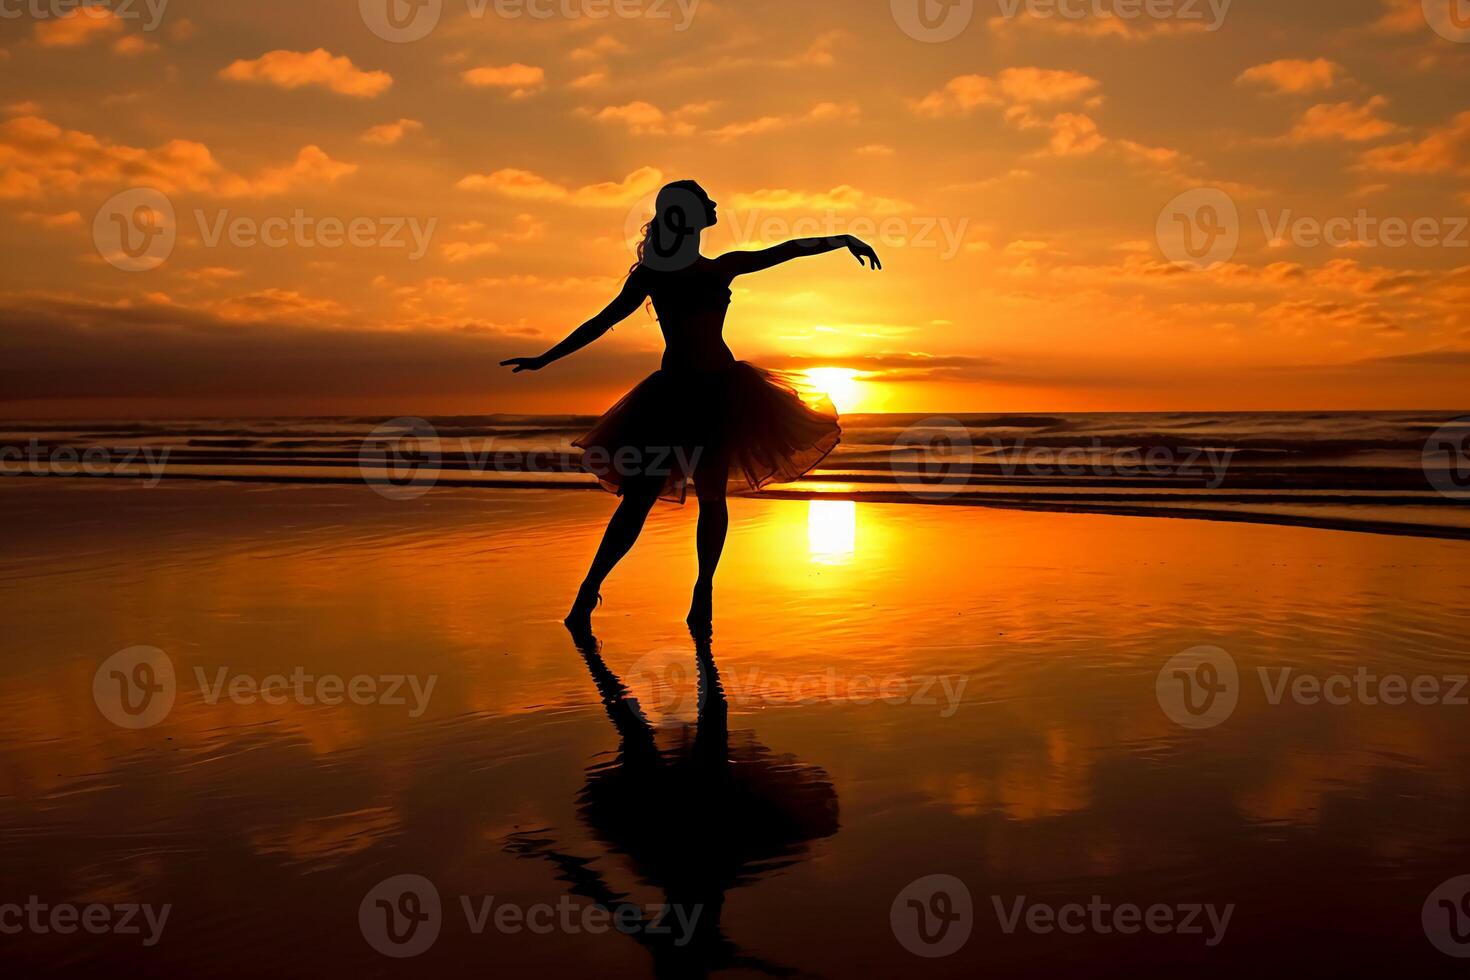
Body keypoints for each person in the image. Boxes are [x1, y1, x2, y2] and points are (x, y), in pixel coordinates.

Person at [501, 180, 882, 636]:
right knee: (639, 501)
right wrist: (546, 359)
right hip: (674, 398)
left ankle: (702, 595)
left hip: (720, 394)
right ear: (686, 214)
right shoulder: (658, 276)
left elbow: (786, 250)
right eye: (706, 199)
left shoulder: (718, 268)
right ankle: (590, 592)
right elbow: (601, 322)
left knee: (709, 498)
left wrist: (841, 239)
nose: (715, 203)